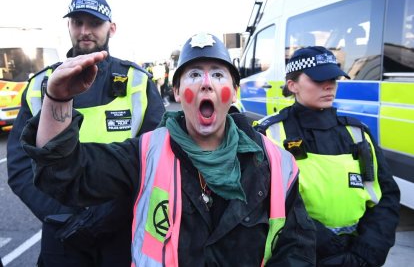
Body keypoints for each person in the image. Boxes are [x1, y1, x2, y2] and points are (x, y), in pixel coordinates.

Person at [20, 33, 316, 266]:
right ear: (176, 93)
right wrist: (57, 100)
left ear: (233, 92)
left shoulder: (276, 163)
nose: (205, 84)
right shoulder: (145, 153)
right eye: (193, 74)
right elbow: (65, 175)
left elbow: (297, 247)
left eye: (217, 74)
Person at [7, 0, 164, 267]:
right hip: (62, 232)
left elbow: (157, 159)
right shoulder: (41, 85)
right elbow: (20, 165)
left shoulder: (137, 82)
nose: (85, 31)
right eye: (77, 22)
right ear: (69, 27)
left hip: (121, 230)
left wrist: (111, 213)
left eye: (94, 23)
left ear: (111, 28)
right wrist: (62, 214)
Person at [254, 46, 400, 267]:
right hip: (297, 255)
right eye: (318, 79)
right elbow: (261, 204)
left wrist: (368, 252)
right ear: (292, 85)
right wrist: (324, 245)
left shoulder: (357, 133)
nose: (329, 85)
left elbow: (386, 197)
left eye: (333, 78)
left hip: (357, 257)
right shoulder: (270, 134)